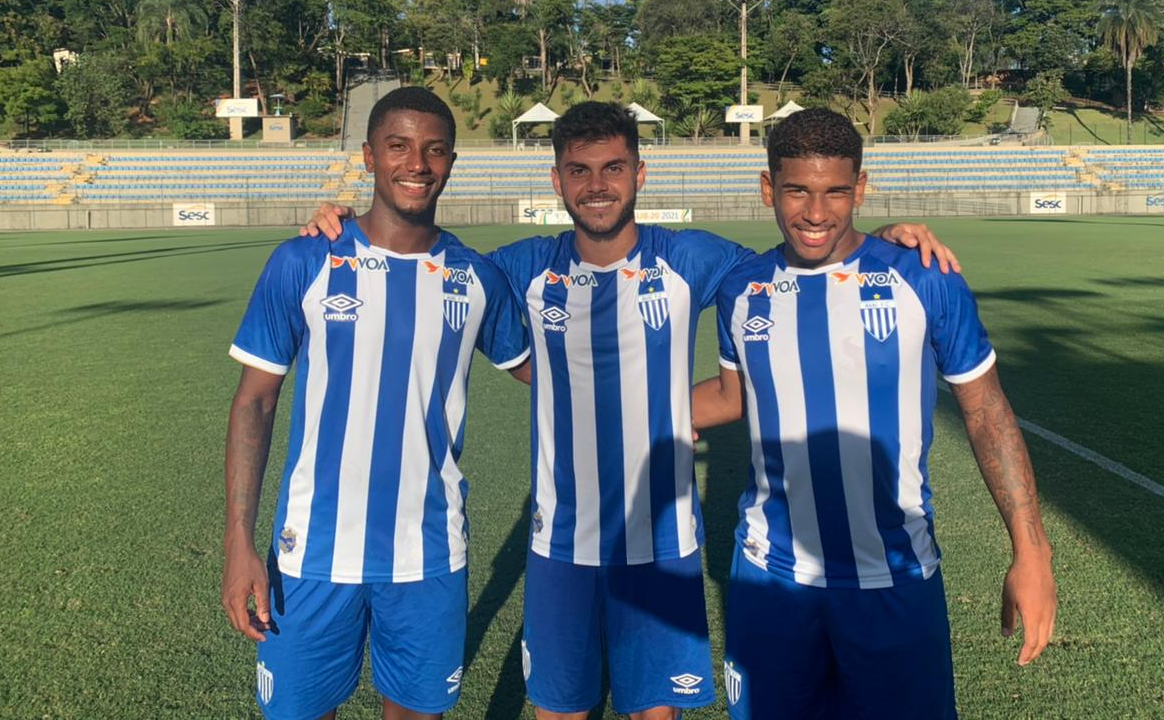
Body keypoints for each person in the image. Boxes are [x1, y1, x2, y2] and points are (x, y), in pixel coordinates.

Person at [301, 101, 961, 720]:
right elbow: (420, 262)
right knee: (559, 709)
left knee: (655, 710)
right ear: (557, 179)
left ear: (638, 172)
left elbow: (804, 257)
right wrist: (344, 222)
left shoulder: (691, 259)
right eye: (581, 171)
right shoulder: (520, 269)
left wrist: (882, 242)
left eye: (614, 168)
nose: (598, 185)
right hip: (560, 544)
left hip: (664, 543)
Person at [691, 107, 1057, 719]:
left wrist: (1032, 550)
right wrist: (623, 408)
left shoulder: (925, 278)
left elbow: (987, 411)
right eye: (797, 191)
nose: (815, 212)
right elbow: (732, 396)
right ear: (766, 189)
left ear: (860, 188)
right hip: (769, 580)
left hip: (894, 578)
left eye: (836, 191)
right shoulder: (742, 289)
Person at [222, 86, 530, 720]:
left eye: (434, 150)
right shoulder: (305, 259)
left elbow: (548, 374)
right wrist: (237, 543)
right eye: (398, 146)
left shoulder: (476, 279)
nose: (416, 164)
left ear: (450, 162)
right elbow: (254, 404)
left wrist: (661, 411)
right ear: (368, 157)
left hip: (429, 554)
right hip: (311, 552)